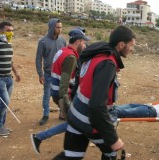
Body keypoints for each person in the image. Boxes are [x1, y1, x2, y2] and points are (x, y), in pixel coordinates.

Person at [53, 25, 136, 160]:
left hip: (75, 115)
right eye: (131, 45)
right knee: (113, 153)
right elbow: (97, 106)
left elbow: (78, 81)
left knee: (71, 156)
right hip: (89, 121)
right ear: (121, 45)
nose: (132, 49)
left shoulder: (96, 52)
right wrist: (113, 138)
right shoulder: (108, 63)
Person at [30, 28, 89, 154]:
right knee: (77, 122)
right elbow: (64, 82)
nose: (85, 46)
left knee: (74, 123)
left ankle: (41, 138)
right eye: (84, 43)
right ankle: (40, 137)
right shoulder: (71, 57)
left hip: (55, 91)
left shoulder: (63, 50)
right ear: (78, 42)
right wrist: (65, 103)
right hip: (62, 94)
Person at [35, 18, 66, 126]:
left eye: (61, 27)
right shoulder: (43, 41)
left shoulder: (62, 41)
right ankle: (46, 115)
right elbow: (38, 59)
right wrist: (40, 74)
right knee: (47, 95)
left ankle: (63, 114)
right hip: (48, 74)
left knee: (62, 95)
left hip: (61, 74)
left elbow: (66, 56)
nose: (60, 29)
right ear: (52, 27)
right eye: (58, 27)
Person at [0, 21, 21, 136]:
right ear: (0, 30)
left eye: (12, 30)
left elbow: (9, 60)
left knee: (4, 104)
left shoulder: (8, 43)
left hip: (9, 78)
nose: (11, 32)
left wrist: (16, 73)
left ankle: (2, 124)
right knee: (5, 102)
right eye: (8, 30)